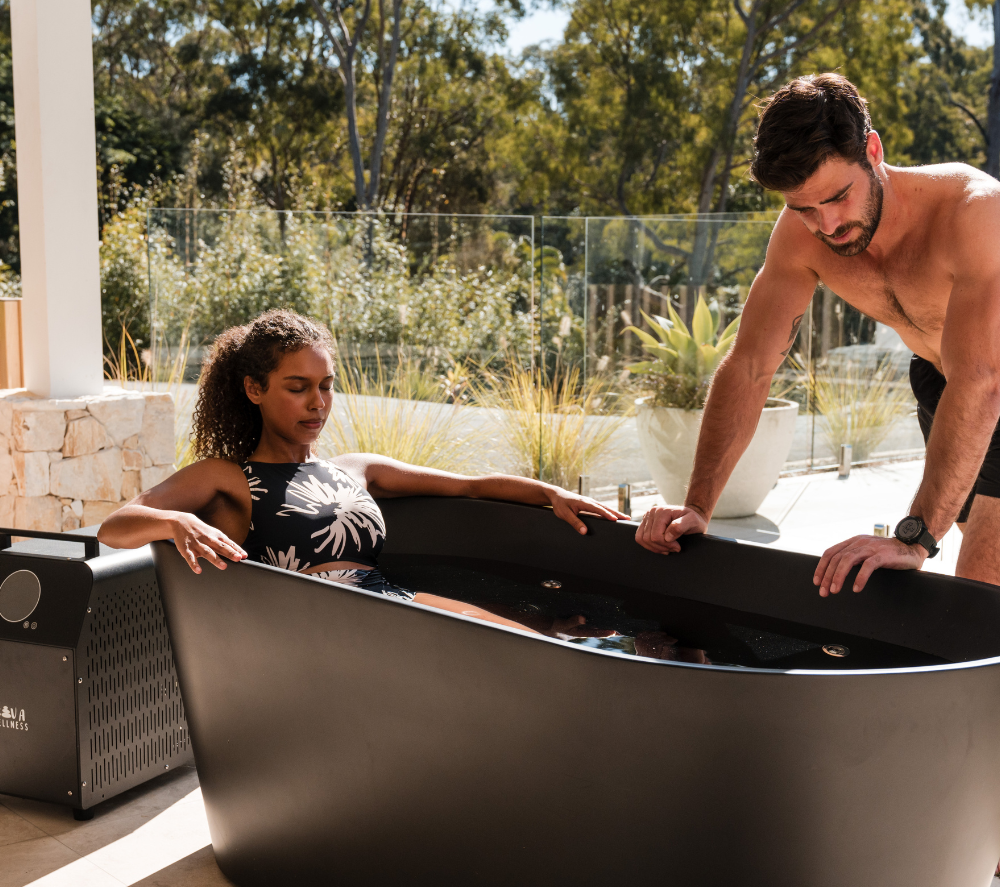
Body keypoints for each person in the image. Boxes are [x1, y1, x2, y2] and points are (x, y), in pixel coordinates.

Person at [634, 73, 1000, 596]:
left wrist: (914, 538)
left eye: (837, 197)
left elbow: (983, 380)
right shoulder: (799, 238)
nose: (826, 225)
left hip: (986, 380)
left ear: (872, 151)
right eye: (803, 208)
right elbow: (750, 365)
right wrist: (696, 507)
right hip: (943, 383)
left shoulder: (975, 211)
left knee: (980, 595)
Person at [98, 309, 627, 633]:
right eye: (297, 387)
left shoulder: (354, 468)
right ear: (255, 390)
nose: (317, 403)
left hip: (388, 607)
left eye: (325, 385)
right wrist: (176, 523)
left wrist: (549, 493)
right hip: (322, 630)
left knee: (529, 632)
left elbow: (466, 484)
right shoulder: (226, 476)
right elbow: (116, 526)